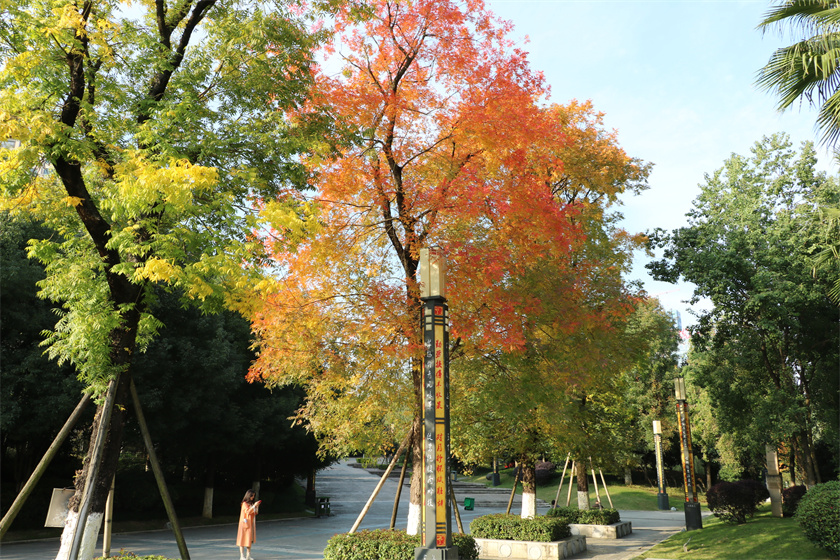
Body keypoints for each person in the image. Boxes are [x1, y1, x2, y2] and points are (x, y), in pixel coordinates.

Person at [237, 489, 260, 560]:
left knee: (249, 539)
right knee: (242, 539)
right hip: (244, 524)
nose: (253, 497)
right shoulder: (244, 504)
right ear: (248, 495)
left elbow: (255, 512)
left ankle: (248, 555)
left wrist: (256, 506)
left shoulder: (251, 504)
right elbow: (248, 512)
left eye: (254, 496)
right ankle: (242, 556)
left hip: (250, 524)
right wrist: (254, 506)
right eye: (252, 496)